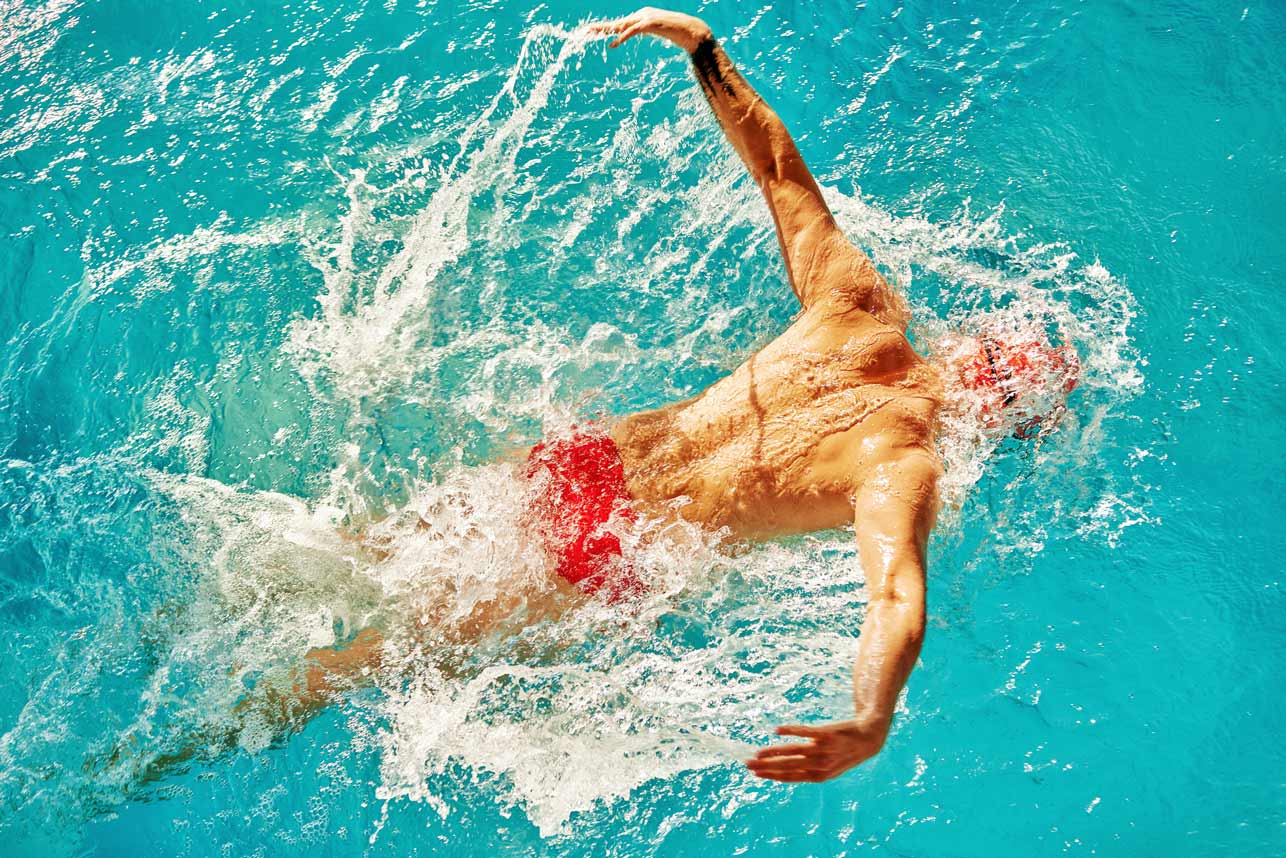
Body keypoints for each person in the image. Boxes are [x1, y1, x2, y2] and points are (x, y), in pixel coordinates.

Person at [118, 7, 1078, 788]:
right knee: (357, 665)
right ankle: (154, 761)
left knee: (363, 550)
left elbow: (780, 173)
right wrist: (871, 718)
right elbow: (895, 595)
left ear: (966, 344)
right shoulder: (904, 463)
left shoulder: (859, 309)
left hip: (584, 462)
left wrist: (704, 49)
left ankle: (159, 627)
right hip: (605, 555)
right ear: (993, 422)